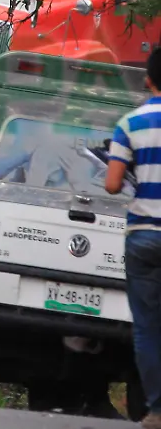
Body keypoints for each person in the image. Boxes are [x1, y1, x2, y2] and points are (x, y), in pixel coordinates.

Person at [105, 48, 161, 429]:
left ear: (148, 79)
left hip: (143, 235)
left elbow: (111, 184)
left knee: (147, 326)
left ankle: (157, 409)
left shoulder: (130, 123)